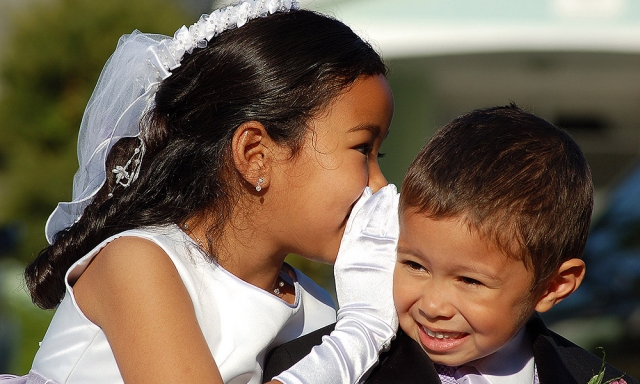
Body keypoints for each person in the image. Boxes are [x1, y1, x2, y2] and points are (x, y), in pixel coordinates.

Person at [0, 1, 400, 383]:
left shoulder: (315, 306)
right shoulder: (139, 264)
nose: (381, 185)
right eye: (363, 149)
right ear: (255, 154)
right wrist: (360, 333)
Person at [263, 104, 639, 384]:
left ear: (553, 286)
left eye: (470, 281)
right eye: (414, 265)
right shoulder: (313, 366)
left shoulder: (594, 378)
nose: (432, 305)